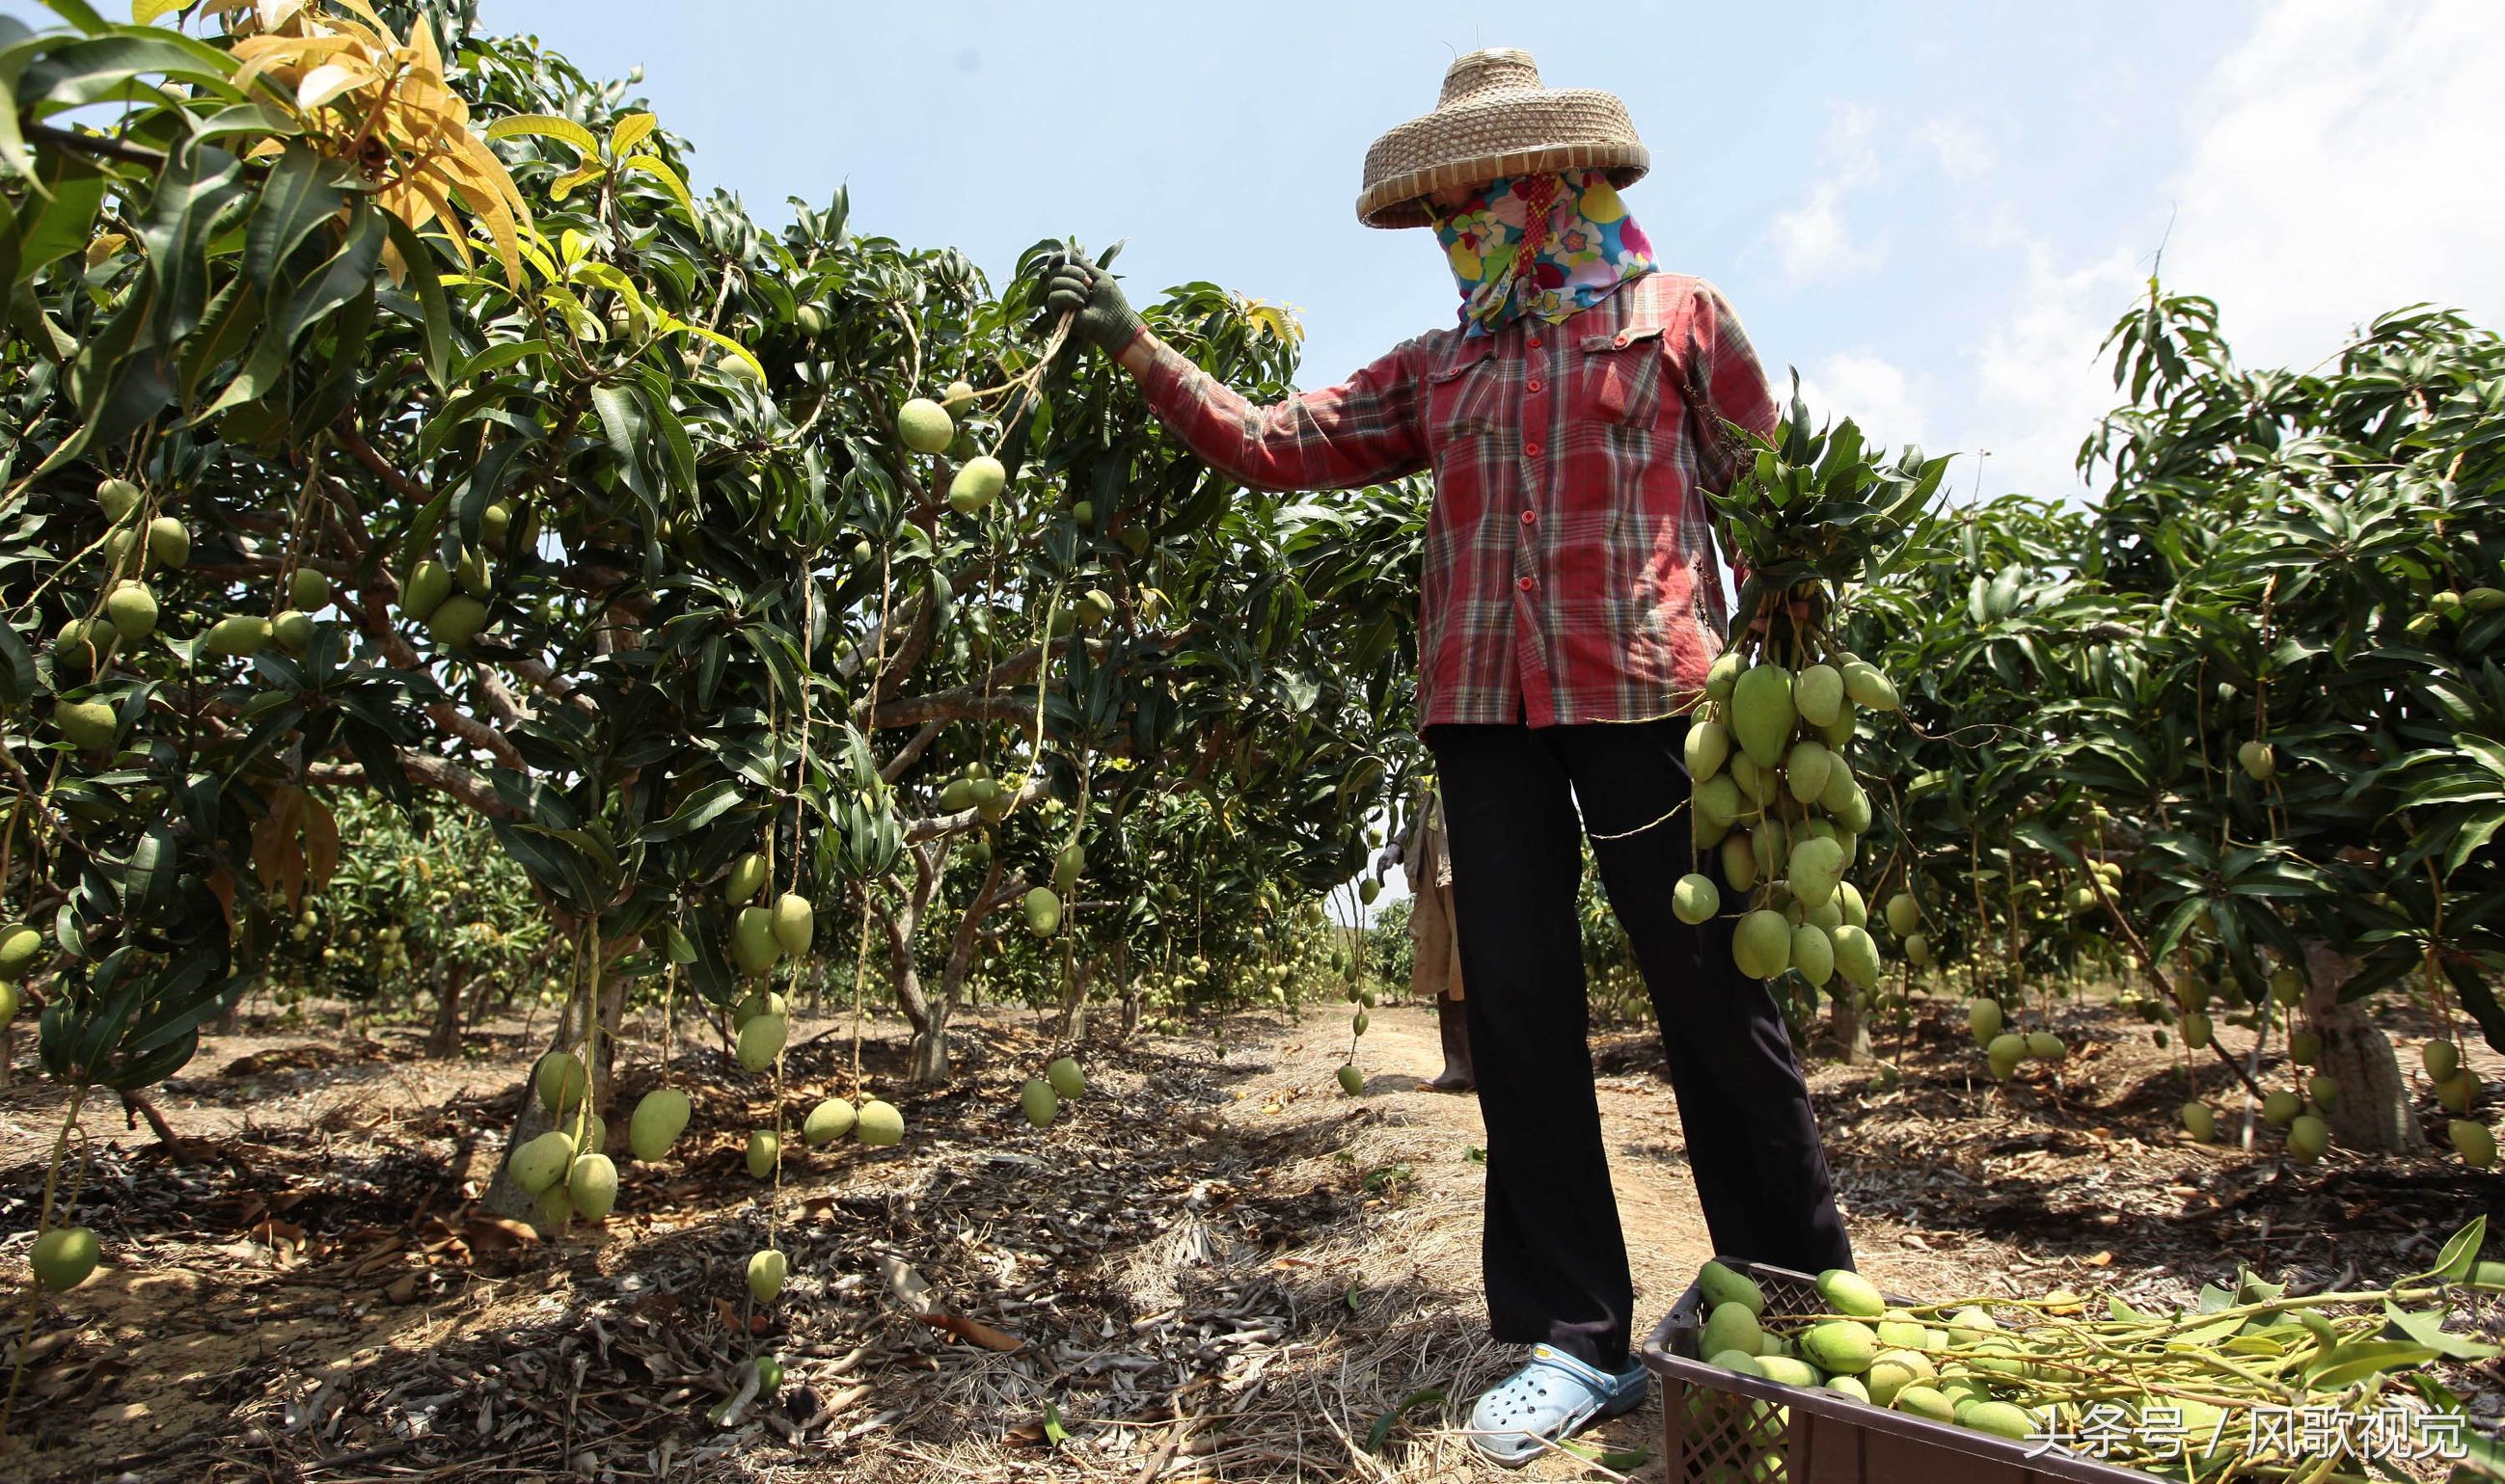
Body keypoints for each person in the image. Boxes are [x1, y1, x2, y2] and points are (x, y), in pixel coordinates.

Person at [1046, 47, 1854, 1466]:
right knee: (1523, 1022)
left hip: (1657, 703)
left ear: (1559, 187)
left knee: (1720, 1004)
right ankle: (1571, 1336)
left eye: (1481, 200)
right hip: (1483, 713)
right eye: (1445, 214)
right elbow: (1279, 441)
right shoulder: (1443, 365)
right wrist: (1137, 346)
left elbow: (1769, 507)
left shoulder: (1679, 320)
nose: (1461, 233)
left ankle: (1795, 1306)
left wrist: (1798, 682)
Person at [1400, 783, 1475, 1092]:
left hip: (1462, 857)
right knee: (1440, 955)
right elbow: (1415, 816)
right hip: (1431, 864)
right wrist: (1395, 846)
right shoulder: (1420, 769)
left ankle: (1491, 1063)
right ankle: (1458, 1066)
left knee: (1471, 959)